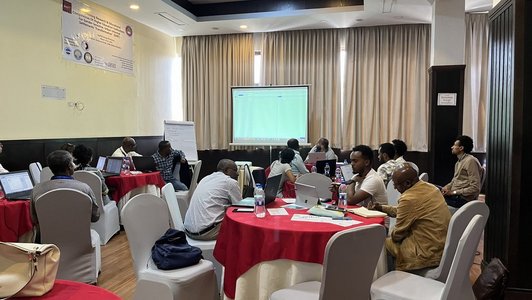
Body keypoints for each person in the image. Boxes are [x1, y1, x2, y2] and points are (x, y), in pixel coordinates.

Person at [369, 164, 451, 271]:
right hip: (440, 247)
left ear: (407, 183)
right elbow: (405, 211)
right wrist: (381, 207)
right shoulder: (431, 188)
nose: (394, 187)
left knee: (377, 243)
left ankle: (382, 279)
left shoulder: (409, 198)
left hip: (424, 254)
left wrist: (389, 231)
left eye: (396, 185)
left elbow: (397, 235)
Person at [30, 150, 100, 234]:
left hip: (48, 239)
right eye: (72, 163)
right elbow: (95, 216)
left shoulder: (37, 190)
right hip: (79, 236)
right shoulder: (84, 188)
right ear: (69, 166)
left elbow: (35, 218)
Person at [184, 159, 242, 240]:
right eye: (235, 170)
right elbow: (240, 208)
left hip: (188, 231)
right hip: (207, 233)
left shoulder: (205, 179)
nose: (238, 174)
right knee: (241, 227)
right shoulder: (229, 182)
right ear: (227, 170)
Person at [441, 135, 483, 208]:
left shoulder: (470, 161)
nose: (452, 147)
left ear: (461, 148)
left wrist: (453, 192)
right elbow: (454, 180)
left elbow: (475, 187)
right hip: (454, 196)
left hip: (462, 199)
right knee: (431, 189)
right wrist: (446, 187)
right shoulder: (458, 162)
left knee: (433, 200)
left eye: (454, 145)